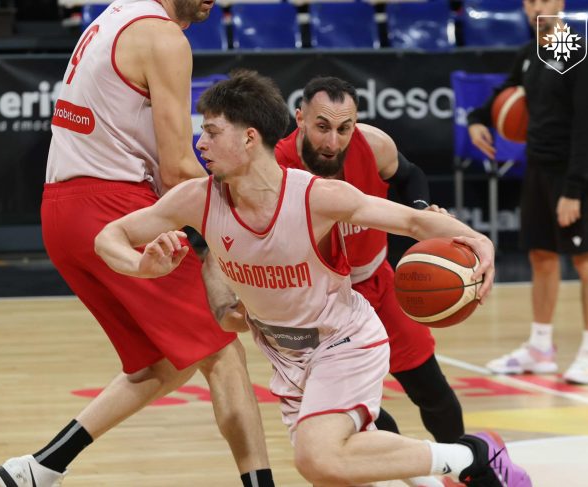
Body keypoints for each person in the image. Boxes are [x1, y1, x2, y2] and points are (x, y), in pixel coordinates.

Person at [95, 70, 531, 487]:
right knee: (335, 471)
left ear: (249, 138)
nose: (200, 143)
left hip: (344, 340)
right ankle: (458, 469)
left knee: (318, 456)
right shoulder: (196, 199)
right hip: (287, 356)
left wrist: (478, 240)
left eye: (211, 132)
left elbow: (414, 222)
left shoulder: (315, 195)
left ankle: (474, 456)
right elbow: (109, 237)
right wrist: (140, 266)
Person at [0, 2, 274, 486]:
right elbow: (178, 170)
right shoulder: (164, 37)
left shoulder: (113, 15)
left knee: (161, 363)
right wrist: (250, 216)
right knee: (223, 353)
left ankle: (39, 468)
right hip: (112, 205)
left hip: (62, 212)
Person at [274, 76, 464, 487]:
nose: (333, 141)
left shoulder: (373, 144)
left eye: (344, 128)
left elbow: (411, 177)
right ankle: (417, 475)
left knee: (430, 388)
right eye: (322, 126)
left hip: (377, 281)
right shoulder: (276, 166)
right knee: (358, 413)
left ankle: (471, 471)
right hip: (323, 304)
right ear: (300, 118)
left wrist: (422, 209)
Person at [468, 0, 588, 385]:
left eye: (542, 0)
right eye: (529, 1)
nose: (534, 7)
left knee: (586, 258)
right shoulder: (530, 52)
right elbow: (504, 94)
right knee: (541, 255)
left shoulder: (581, 53)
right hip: (537, 168)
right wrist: (477, 119)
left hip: (574, 171)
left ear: (559, 3)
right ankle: (541, 347)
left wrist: (574, 189)